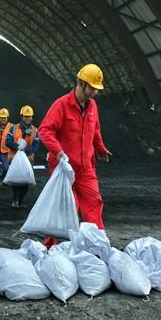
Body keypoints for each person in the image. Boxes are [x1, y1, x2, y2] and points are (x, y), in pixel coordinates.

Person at [39, 63, 112, 229]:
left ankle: (98, 245)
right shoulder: (62, 105)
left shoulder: (92, 106)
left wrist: (100, 149)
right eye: (92, 87)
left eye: (97, 88)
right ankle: (55, 247)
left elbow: (95, 131)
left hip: (86, 168)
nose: (95, 92)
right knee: (68, 207)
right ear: (81, 83)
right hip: (64, 168)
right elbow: (45, 130)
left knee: (94, 203)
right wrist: (58, 152)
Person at [6, 105, 40, 208]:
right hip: (14, 158)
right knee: (16, 180)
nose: (27, 118)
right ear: (22, 116)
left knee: (25, 182)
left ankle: (20, 201)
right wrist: (17, 147)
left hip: (27, 159)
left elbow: (35, 146)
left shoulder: (35, 130)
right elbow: (7, 142)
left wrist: (25, 151)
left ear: (32, 117)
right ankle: (15, 200)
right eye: (25, 116)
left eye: (29, 116)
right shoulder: (14, 128)